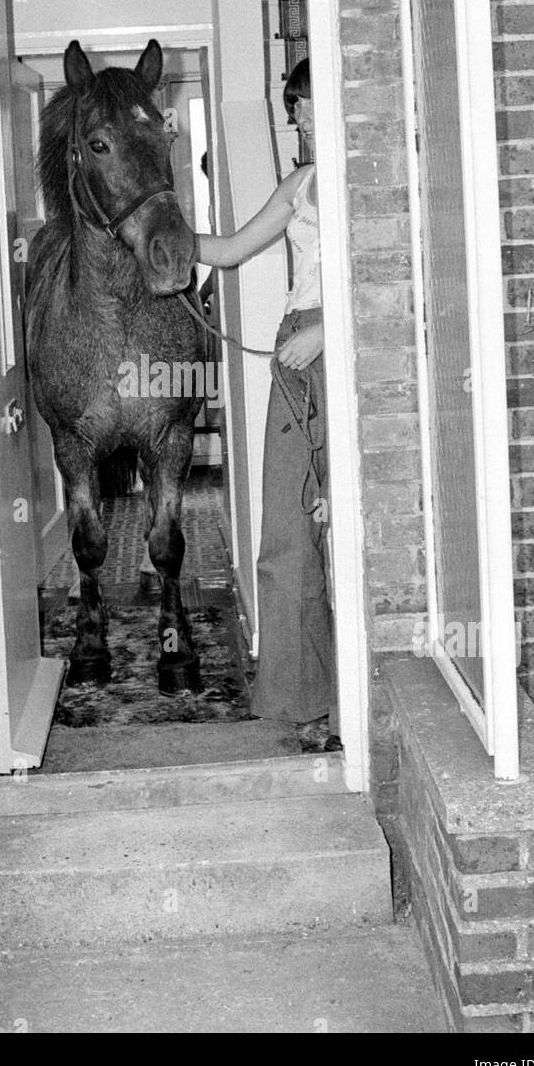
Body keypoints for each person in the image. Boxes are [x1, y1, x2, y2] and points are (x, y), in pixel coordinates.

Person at [195, 59, 340, 753]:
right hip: (295, 349)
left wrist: (328, 328)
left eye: (308, 105)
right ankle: (300, 700)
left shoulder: (374, 175)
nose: (300, 120)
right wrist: (153, 235)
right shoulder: (300, 183)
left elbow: (398, 273)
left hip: (340, 348)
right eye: (295, 109)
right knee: (286, 528)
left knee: (346, 526)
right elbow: (225, 251)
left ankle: (361, 702)